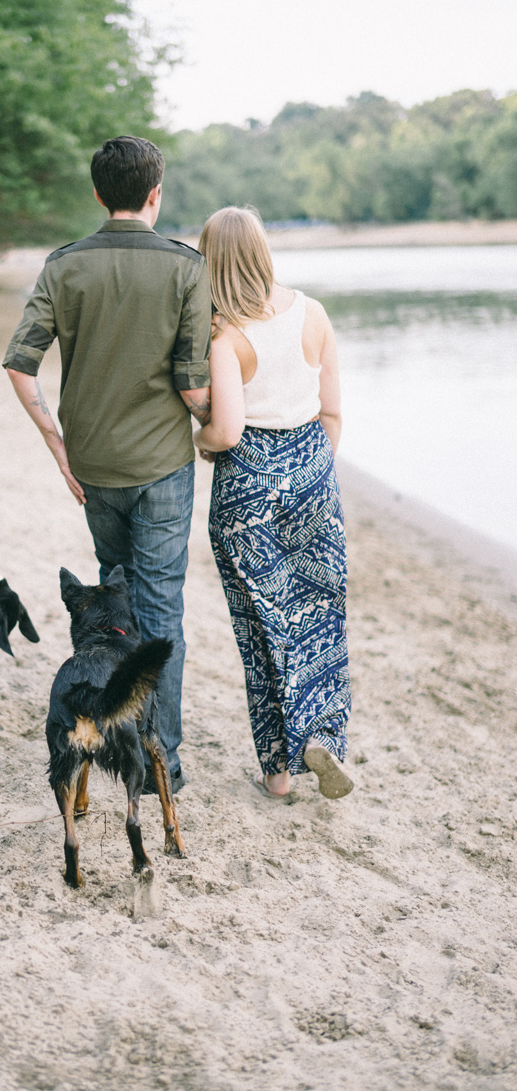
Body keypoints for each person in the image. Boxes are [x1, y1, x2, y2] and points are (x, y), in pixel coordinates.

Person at [2, 136, 212, 791]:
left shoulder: (64, 266)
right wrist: (224, 427)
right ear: (156, 194)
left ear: (98, 194)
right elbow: (191, 385)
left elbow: (20, 362)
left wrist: (56, 444)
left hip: (93, 464)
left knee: (114, 606)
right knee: (160, 610)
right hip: (163, 465)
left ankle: (118, 740)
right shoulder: (186, 267)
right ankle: (161, 763)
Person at [193, 206, 353, 800]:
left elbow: (228, 430)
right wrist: (309, 472)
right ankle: (325, 740)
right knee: (320, 615)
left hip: (247, 490)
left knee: (262, 624)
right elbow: (332, 414)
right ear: (262, 252)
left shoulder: (225, 334)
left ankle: (278, 774)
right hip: (313, 472)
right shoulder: (312, 314)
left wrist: (201, 442)